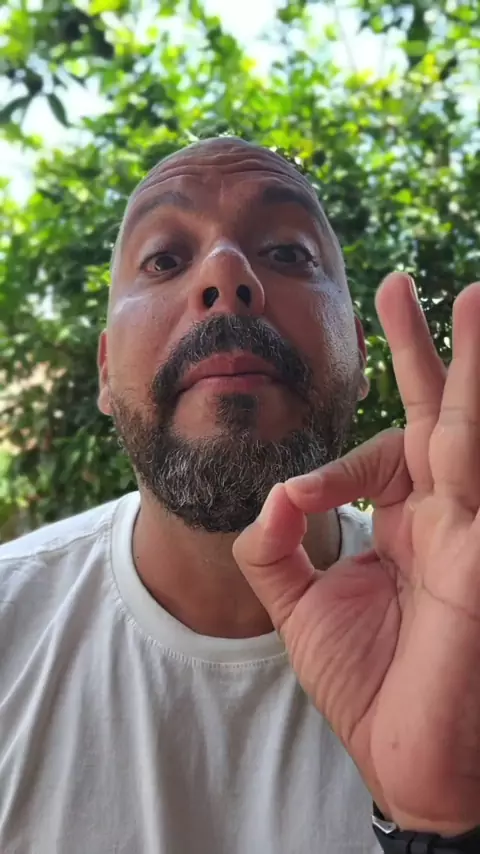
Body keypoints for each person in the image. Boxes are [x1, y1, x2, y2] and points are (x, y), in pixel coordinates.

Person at [1, 137, 479, 854]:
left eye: (287, 252)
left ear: (358, 354)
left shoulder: (468, 629)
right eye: (165, 259)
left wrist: (446, 828)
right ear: (105, 370)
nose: (226, 274)